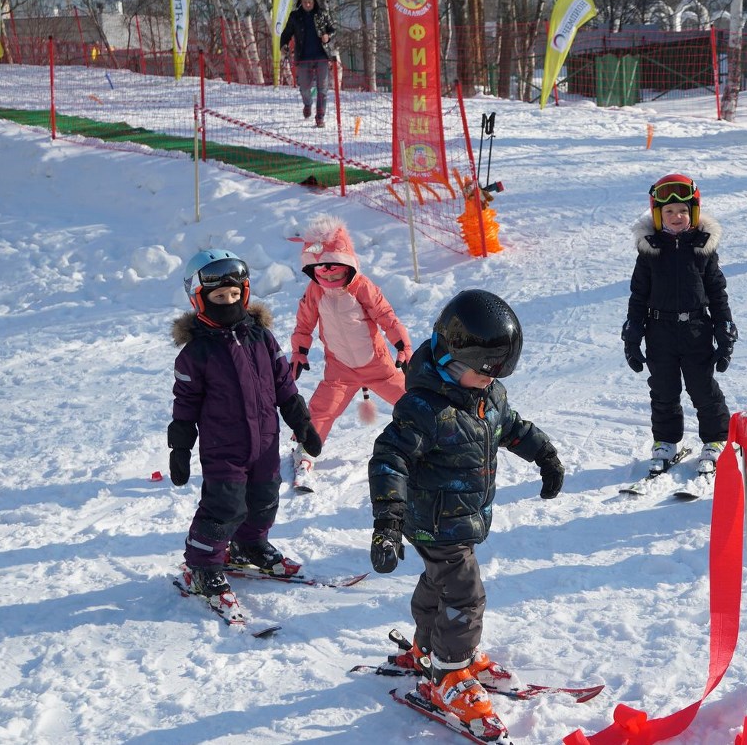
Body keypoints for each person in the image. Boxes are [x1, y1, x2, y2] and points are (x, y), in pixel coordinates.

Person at [366, 289, 565, 736]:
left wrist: (545, 456)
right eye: (483, 373)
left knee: (440, 584)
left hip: (460, 516)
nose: (491, 381)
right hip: (433, 520)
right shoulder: (425, 409)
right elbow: (389, 460)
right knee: (464, 594)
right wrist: (387, 522)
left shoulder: (485, 393)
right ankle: (449, 675)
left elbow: (509, 426)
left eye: (497, 375)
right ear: (453, 361)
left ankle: (427, 649)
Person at [169, 250, 323, 602]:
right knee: (224, 506)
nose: (229, 302)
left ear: (246, 293)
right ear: (200, 300)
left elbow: (284, 385)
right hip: (224, 447)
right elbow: (185, 405)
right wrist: (180, 448)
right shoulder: (196, 353)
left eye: (235, 295)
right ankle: (202, 565)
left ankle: (249, 546)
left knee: (265, 498)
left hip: (265, 441)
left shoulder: (261, 337)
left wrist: (302, 422)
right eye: (219, 297)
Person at [622, 173, 736, 477]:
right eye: (669, 212)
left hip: (697, 329)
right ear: (658, 215)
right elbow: (638, 296)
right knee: (663, 390)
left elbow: (717, 293)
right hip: (659, 332)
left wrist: (725, 332)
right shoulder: (650, 250)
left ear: (694, 213)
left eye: (683, 210)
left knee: (703, 388)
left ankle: (715, 439)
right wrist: (632, 336)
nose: (676, 217)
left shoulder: (702, 248)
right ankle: (666, 442)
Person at [288, 214, 413, 493]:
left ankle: (438, 437)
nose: (330, 277)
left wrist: (403, 346)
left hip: (376, 364)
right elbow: (304, 324)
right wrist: (300, 352)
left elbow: (386, 316)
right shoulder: (314, 291)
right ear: (313, 270)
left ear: (348, 266)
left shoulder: (362, 287)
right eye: (324, 273)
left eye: (336, 272)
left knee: (411, 401)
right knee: (321, 410)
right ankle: (305, 453)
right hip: (340, 368)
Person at [279, 0, 337, 128]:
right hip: (303, 57)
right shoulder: (295, 16)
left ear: (314, 2)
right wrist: (284, 45)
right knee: (304, 87)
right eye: (305, 2)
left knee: (322, 88)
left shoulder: (322, 14)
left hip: (322, 56)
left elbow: (333, 30)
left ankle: (320, 117)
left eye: (310, 2)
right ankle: (307, 104)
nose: (308, 5)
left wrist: (328, 37)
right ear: (301, 2)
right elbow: (286, 33)